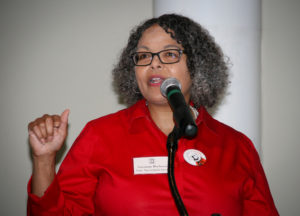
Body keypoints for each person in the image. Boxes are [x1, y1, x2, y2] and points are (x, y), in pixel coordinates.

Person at [27, 14, 279, 215]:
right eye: (144, 55)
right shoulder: (100, 135)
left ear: (198, 66)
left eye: (170, 54)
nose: (154, 64)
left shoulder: (236, 146)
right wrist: (44, 160)